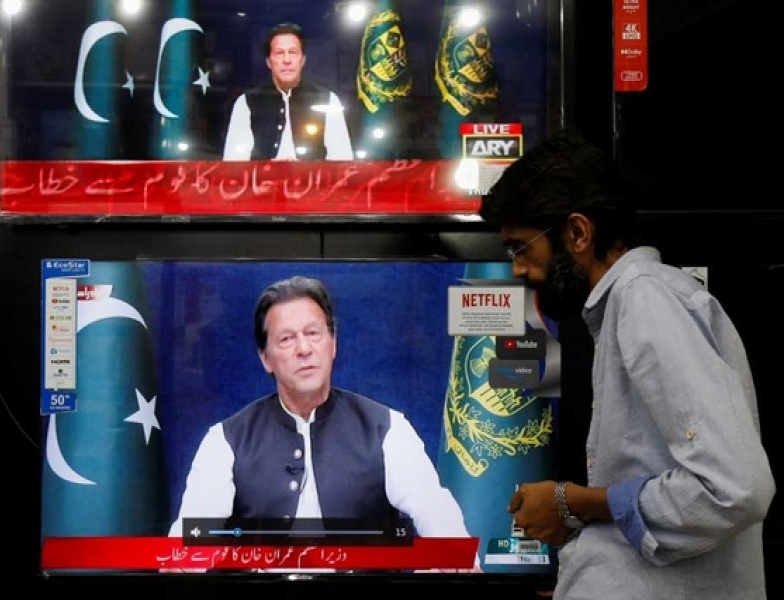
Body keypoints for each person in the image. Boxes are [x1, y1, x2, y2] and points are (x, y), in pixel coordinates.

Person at [482, 128, 776, 599]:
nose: (518, 269)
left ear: (577, 232)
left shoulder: (644, 299)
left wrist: (571, 501)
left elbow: (734, 489)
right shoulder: (627, 304)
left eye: (521, 247)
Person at [168, 275, 476, 569]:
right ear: (265, 358)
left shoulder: (388, 428)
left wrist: (458, 561)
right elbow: (190, 541)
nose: (304, 349)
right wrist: (182, 564)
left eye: (313, 333)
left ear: (333, 344)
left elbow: (437, 513)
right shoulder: (226, 439)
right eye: (287, 339)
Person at [222, 23, 354, 161]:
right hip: (263, 182)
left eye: (292, 52)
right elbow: (233, 164)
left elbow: (342, 162)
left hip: (312, 182)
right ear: (268, 61)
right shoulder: (245, 103)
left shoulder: (328, 100)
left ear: (303, 60)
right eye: (279, 53)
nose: (286, 60)